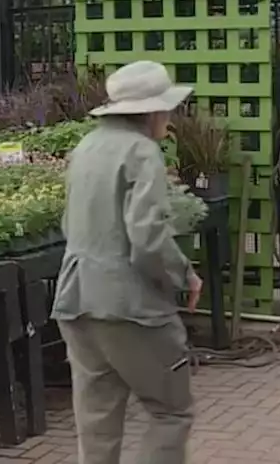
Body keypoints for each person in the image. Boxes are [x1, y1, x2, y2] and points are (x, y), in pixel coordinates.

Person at [51, 60, 203, 464]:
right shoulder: (141, 152)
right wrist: (183, 275)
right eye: (167, 110)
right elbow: (147, 238)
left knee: (97, 422)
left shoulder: (85, 148)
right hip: (130, 307)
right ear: (153, 112)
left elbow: (70, 224)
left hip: (78, 299)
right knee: (171, 411)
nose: (169, 119)